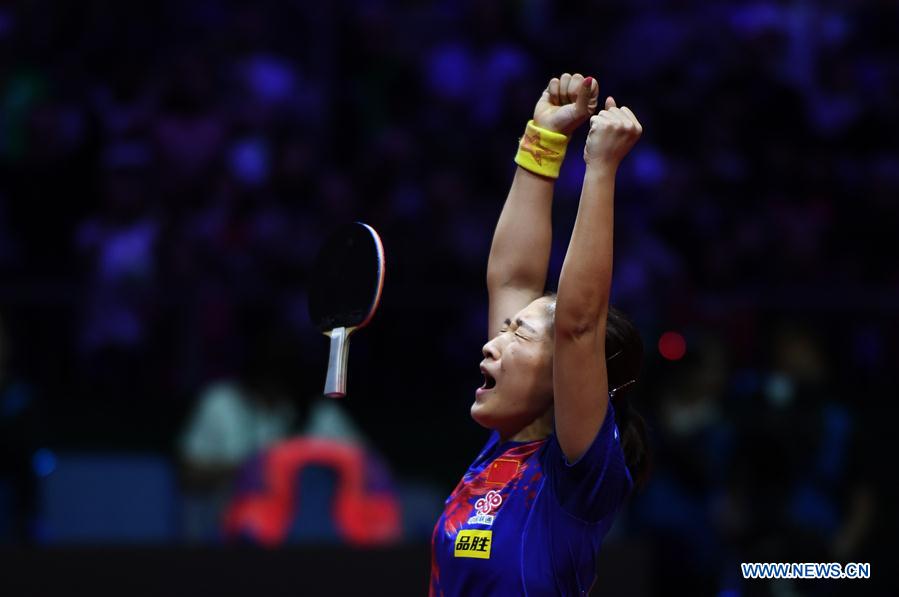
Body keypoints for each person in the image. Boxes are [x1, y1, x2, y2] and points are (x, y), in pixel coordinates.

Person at [430, 73, 650, 595]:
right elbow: (511, 278)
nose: (492, 343)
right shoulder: (500, 453)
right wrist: (543, 141)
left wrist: (601, 170)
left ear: (565, 377)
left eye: (519, 336)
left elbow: (578, 326)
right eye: (505, 330)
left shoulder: (578, 480)